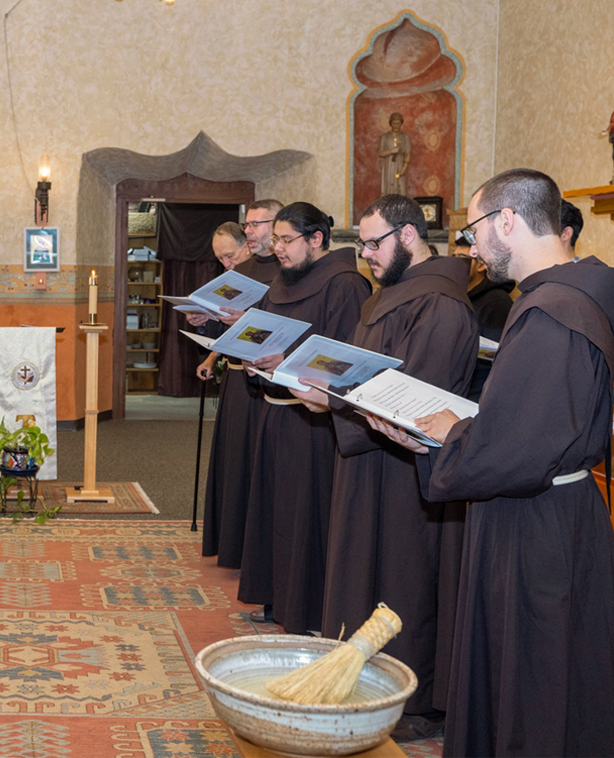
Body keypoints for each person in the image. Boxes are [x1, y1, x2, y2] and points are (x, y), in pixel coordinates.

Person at [368, 168, 614, 758]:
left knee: (535, 674)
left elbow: (516, 447)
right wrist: (459, 433)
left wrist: (442, 439)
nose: (470, 246)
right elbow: (540, 419)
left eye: (474, 230)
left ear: (507, 220)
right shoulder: (583, 290)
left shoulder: (550, 313)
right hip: (562, 507)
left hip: (534, 524)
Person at [291, 194, 477, 740]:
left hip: (410, 474)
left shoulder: (441, 304)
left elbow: (421, 401)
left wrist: (336, 403)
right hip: (368, 461)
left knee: (405, 577)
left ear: (410, 235)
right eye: (362, 243)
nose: (365, 254)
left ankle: (412, 698)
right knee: (361, 567)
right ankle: (359, 678)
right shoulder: (387, 296)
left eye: (374, 242)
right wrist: (325, 387)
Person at [237, 202, 370, 631]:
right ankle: (279, 600)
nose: (277, 248)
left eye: (286, 239)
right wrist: (250, 356)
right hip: (274, 413)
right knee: (276, 513)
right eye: (274, 239)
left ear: (316, 239)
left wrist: (288, 361)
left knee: (306, 517)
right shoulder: (283, 280)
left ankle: (309, 610)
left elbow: (346, 360)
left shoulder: (345, 284)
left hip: (313, 421)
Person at [191, 203, 282, 568]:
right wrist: (204, 321)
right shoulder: (237, 275)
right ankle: (230, 540)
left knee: (251, 462)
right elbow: (223, 331)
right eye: (221, 259)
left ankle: (250, 545)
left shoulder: (277, 272)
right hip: (234, 375)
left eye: (230, 255)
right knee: (233, 460)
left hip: (262, 380)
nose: (227, 264)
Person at [455, 234, 513, 401]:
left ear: (480, 264)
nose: (454, 264)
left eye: (461, 258)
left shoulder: (497, 303)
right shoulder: (462, 296)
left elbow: (497, 360)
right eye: (454, 256)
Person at [378, 113, 411, 196]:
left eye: (398, 123)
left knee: (401, 187)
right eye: (394, 123)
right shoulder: (385, 137)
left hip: (400, 164)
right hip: (388, 164)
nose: (396, 125)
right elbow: (380, 153)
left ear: (401, 123)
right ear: (390, 124)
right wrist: (391, 151)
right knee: (388, 186)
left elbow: (407, 153)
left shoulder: (405, 137)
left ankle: (400, 208)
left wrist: (403, 168)